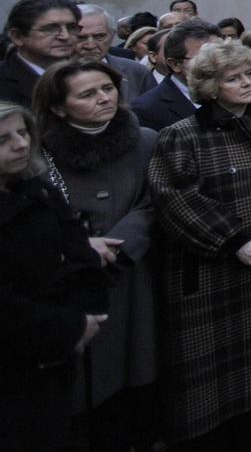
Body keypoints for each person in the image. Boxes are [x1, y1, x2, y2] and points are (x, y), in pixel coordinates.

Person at [146, 39, 251, 451]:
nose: (245, 83)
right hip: (217, 275)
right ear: (210, 87)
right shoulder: (182, 136)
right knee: (217, 378)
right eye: (232, 79)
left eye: (247, 74)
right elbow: (176, 199)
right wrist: (235, 241)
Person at [34, 59, 159, 452]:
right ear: (59, 107)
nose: (104, 98)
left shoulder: (145, 140)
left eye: (107, 88)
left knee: (133, 371)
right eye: (87, 94)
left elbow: (154, 200)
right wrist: (80, 246)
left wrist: (122, 243)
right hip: (70, 278)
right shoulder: (37, 151)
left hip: (131, 273)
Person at [0, 97, 109, 452]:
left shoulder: (38, 190)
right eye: (3, 140)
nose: (20, 144)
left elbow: (79, 253)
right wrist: (64, 328)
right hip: (17, 358)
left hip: (60, 347)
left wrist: (83, 320)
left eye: (22, 133)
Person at [132, 19, 222, 131]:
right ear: (175, 64)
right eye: (203, 59)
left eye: (220, 56)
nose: (217, 64)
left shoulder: (236, 94)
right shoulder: (146, 109)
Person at [1, 0, 81, 104]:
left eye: (71, 27)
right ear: (17, 37)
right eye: (50, 28)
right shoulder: (3, 80)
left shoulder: (88, 74)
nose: (65, 36)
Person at [76, 3, 153, 101]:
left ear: (112, 36)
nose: (90, 45)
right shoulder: (58, 71)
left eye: (99, 36)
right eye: (81, 38)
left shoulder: (136, 71)